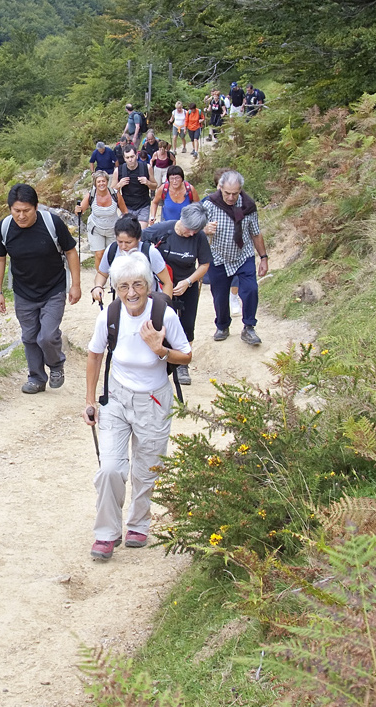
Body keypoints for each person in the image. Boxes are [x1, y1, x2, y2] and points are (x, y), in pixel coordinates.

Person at [82, 251, 191, 561]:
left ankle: (138, 524)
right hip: (117, 398)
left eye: (138, 285)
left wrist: (160, 349)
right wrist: (90, 401)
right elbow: (95, 355)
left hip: (154, 400)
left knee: (146, 470)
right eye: (124, 286)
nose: (132, 293)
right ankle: (106, 533)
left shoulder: (164, 315)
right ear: (116, 287)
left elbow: (186, 355)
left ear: (149, 285)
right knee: (110, 468)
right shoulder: (109, 315)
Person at [0, 183, 82, 394]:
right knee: (29, 337)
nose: (21, 216)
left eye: (26, 211)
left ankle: (56, 365)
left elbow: (71, 252)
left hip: (53, 289)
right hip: (23, 292)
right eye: (16, 211)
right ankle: (36, 378)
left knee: (47, 336)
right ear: (10, 209)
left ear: (36, 207)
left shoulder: (52, 223)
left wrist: (75, 285)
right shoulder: (5, 228)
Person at [143, 204, 213, 387]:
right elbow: (139, 244)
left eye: (195, 231)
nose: (191, 234)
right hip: (161, 285)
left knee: (187, 324)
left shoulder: (199, 237)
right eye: (189, 229)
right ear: (182, 220)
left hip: (187, 284)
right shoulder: (161, 230)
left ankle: (182, 364)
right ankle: (156, 358)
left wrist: (188, 282)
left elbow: (204, 264)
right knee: (160, 321)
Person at [202, 170, 270, 345]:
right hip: (218, 256)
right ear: (220, 188)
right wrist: (205, 229)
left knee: (251, 290)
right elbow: (194, 228)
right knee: (219, 296)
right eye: (227, 193)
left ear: (240, 190)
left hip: (243, 255)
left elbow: (255, 233)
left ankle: (249, 327)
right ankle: (222, 325)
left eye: (235, 193)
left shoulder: (248, 205)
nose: (231, 197)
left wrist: (263, 258)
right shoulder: (209, 204)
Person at [91, 214, 175, 305]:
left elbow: (167, 283)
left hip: (150, 303)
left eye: (128, 242)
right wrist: (98, 286)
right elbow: (102, 274)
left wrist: (163, 307)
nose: (123, 246)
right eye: (120, 242)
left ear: (139, 238)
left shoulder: (150, 252)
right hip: (124, 303)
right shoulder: (112, 250)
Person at [77, 171, 127, 254]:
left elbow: (125, 211)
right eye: (98, 182)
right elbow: (80, 212)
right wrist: (77, 210)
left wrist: (126, 225)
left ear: (107, 181)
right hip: (96, 228)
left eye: (103, 181)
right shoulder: (91, 195)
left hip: (113, 229)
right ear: (95, 183)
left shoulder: (115, 194)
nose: (101, 184)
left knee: (112, 253)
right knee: (99, 254)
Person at [111, 146, 154, 224]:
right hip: (126, 207)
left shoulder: (147, 167)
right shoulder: (118, 171)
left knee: (141, 230)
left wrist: (147, 182)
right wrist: (119, 185)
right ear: (124, 158)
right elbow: (112, 191)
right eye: (127, 157)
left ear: (136, 156)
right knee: (128, 230)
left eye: (132, 156)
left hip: (143, 205)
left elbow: (154, 186)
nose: (130, 160)